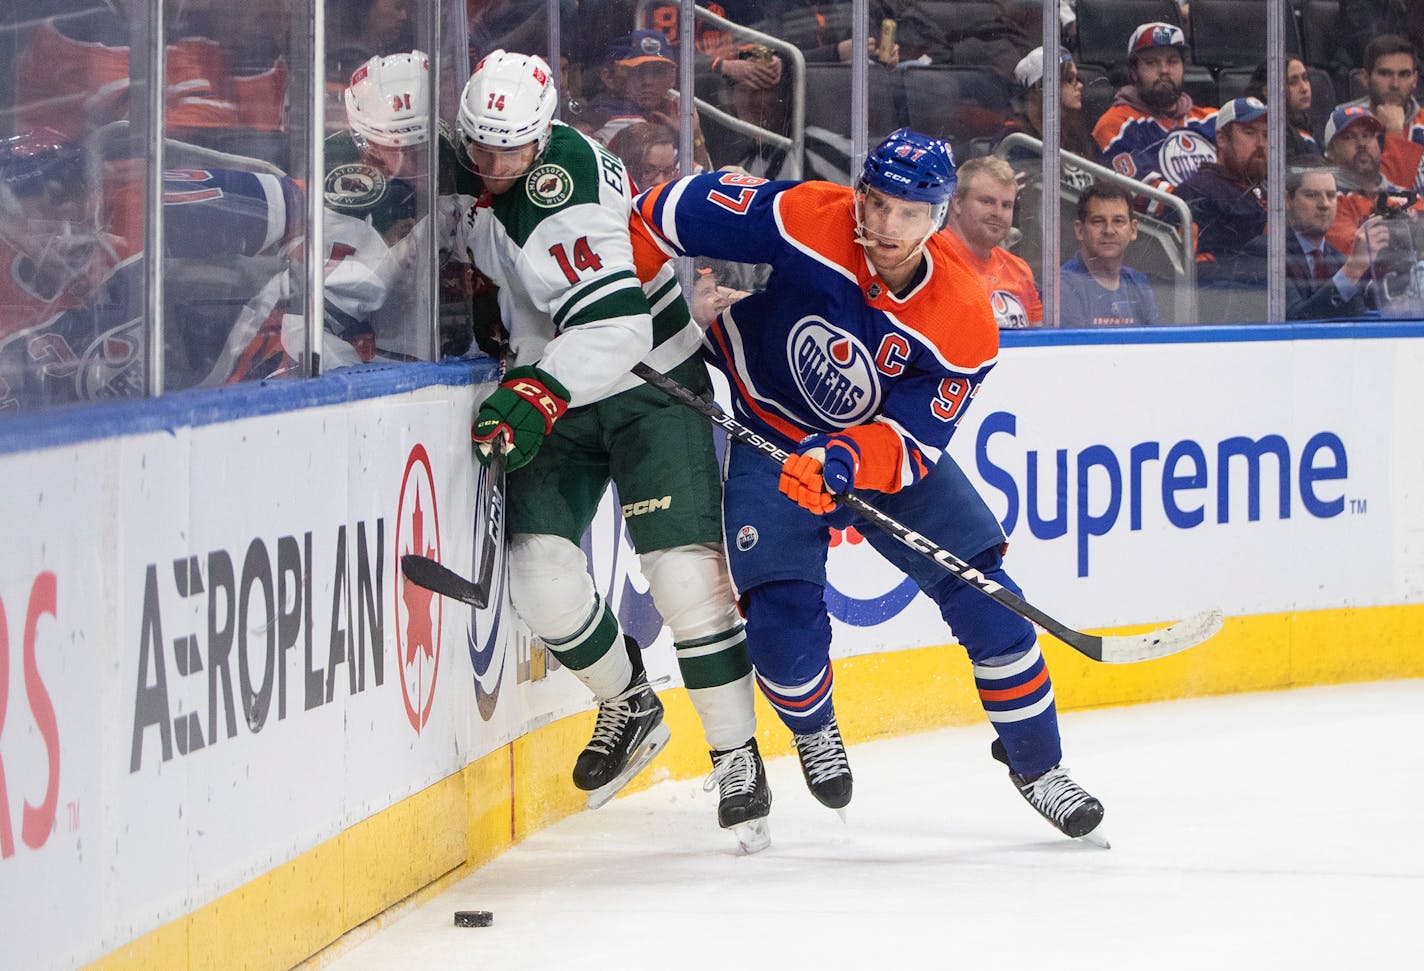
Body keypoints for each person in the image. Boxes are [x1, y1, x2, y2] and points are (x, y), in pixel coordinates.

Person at [630, 128, 1106, 841]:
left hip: (873, 453)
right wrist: (624, 304)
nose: (884, 225)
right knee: (781, 639)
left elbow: (915, 442)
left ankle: (1039, 766)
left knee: (990, 600)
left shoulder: (964, 323)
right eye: (875, 202)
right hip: (773, 426)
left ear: (939, 216)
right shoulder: (810, 216)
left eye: (908, 213)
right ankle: (815, 728)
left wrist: (845, 460)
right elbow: (663, 212)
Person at [448, 50, 768, 851]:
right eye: (480, 149)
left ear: (543, 132)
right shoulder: (493, 170)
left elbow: (617, 327)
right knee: (537, 574)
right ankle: (628, 701)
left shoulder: (564, 198)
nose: (493, 166)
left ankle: (737, 757)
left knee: (685, 578)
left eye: (510, 151)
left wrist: (538, 391)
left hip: (647, 381)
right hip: (561, 378)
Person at [0, 129, 303, 411]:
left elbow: (299, 205)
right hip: (68, 451)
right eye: (35, 203)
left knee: (302, 340)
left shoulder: (139, 207)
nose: (63, 215)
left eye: (72, 190)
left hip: (206, 411)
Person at [1092, 22, 1218, 197]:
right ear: (1134, 72)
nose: (1164, 70)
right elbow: (1145, 195)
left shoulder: (1212, 119)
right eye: (1151, 62)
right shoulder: (1115, 125)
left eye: (1172, 61)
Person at [583, 30, 713, 171]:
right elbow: (700, 179)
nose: (648, 81)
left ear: (672, 78)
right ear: (609, 78)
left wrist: (692, 134)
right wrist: (690, 136)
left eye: (658, 71)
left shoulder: (667, 113)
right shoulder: (613, 118)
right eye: (637, 71)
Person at [943, 155, 1043, 328]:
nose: (998, 213)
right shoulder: (927, 260)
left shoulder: (1019, 271)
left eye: (1006, 205)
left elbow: (1042, 345)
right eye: (987, 201)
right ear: (957, 202)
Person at [1176, 97, 1269, 282]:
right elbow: (1193, 271)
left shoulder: (1266, 189)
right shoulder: (1198, 190)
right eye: (1249, 132)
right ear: (1221, 139)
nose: (1260, 143)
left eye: (1266, 135)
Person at [1284, 164, 1390, 320]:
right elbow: (1293, 323)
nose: (1324, 204)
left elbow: (1356, 322)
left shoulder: (1339, 259)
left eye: (1331, 195)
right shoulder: (1265, 251)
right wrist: (1351, 271)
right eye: (1312, 195)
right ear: (1287, 200)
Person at [1321, 104, 1423, 255]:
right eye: (1349, 137)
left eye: (1367, 135)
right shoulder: (1328, 202)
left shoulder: (1404, 195)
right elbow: (1359, 254)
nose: (1362, 143)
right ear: (1330, 153)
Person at [1060, 183, 1161, 326]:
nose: (1109, 230)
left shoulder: (1138, 283)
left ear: (1133, 230)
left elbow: (1153, 344)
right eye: (1098, 221)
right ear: (1079, 230)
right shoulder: (1062, 285)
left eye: (1118, 221)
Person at [1335, 35, 1424, 193]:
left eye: (1404, 74)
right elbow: (1388, 198)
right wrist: (1395, 133)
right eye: (1385, 74)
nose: (1395, 84)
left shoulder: (1421, 124)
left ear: (1415, 79)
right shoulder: (1342, 123)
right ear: (1365, 78)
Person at [996, 46, 1099, 164]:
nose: (1080, 85)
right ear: (1041, 88)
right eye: (1069, 79)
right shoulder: (1016, 141)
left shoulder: (1077, 133)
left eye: (1077, 78)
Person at [1244, 57, 1321, 160]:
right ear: (1268, 91)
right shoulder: (1274, 134)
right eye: (1293, 83)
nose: (1304, 88)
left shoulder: (1306, 123)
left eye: (1305, 78)